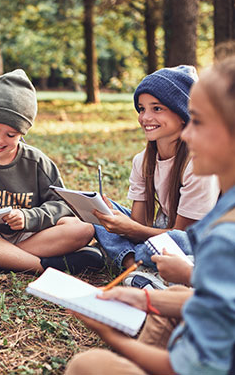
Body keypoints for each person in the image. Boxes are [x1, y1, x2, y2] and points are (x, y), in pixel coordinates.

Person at [64, 55, 235, 375]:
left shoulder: (224, 238)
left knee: (87, 364)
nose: (186, 133)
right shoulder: (147, 159)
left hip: (196, 351)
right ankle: (141, 277)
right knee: (172, 286)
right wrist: (146, 301)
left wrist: (112, 336)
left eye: (196, 121)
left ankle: (134, 270)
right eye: (142, 108)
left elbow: (195, 368)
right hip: (178, 272)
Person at [0, 69, 104, 283]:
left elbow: (62, 206)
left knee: (83, 229)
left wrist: (28, 217)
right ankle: (42, 267)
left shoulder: (37, 163)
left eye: (11, 135)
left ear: (23, 133)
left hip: (30, 235)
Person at [81, 66, 219, 289]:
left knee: (168, 243)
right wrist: (115, 221)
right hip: (162, 229)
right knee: (99, 217)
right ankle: (137, 266)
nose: (145, 117)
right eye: (142, 109)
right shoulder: (143, 160)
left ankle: (135, 264)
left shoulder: (198, 163)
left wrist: (129, 229)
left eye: (157, 108)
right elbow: (139, 223)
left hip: (201, 238)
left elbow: (183, 234)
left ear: (182, 114)